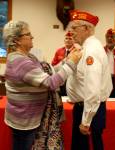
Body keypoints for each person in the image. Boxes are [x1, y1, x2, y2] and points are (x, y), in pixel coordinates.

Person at [2, 20, 82, 150]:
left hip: (28, 117)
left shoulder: (28, 57)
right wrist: (71, 63)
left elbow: (49, 71)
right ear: (17, 40)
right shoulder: (21, 63)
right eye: (28, 34)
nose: (32, 36)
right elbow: (51, 82)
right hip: (24, 121)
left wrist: (67, 60)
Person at [66, 10, 113, 150]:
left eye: (74, 28)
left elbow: (93, 91)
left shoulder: (91, 51)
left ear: (86, 29)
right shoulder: (85, 47)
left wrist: (86, 121)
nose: (71, 32)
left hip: (89, 111)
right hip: (84, 107)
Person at [51, 31, 74, 96]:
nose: (68, 40)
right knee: (62, 97)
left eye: (70, 39)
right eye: (66, 38)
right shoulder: (59, 51)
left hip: (72, 80)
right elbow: (53, 65)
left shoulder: (76, 51)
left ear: (73, 40)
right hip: (61, 79)